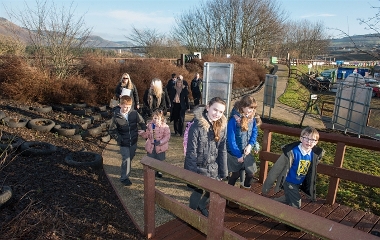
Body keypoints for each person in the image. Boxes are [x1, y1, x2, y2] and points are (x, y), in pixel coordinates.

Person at [184, 97, 228, 217]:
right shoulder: (196, 126)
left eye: (221, 112)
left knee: (212, 190)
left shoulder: (222, 127)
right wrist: (191, 174)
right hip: (198, 167)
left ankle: (201, 205)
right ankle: (191, 214)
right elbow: (191, 152)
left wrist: (223, 172)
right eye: (215, 109)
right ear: (208, 107)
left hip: (212, 166)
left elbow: (222, 150)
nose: (217, 114)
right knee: (198, 190)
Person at [262, 126, 324, 209]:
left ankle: (268, 203)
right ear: (301, 139)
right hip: (289, 181)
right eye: (306, 138)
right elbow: (276, 169)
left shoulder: (314, 155)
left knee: (288, 198)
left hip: (299, 182)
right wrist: (266, 187)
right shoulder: (291, 152)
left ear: (316, 142)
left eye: (312, 140)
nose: (309, 142)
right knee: (296, 203)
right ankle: (292, 219)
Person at [226, 95, 260, 208]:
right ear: (243, 106)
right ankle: (228, 198)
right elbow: (231, 139)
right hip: (235, 152)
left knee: (250, 173)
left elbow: (254, 132)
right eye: (249, 108)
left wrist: (250, 145)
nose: (251, 110)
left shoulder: (252, 118)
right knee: (235, 174)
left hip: (246, 151)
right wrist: (238, 155)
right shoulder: (233, 120)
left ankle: (243, 196)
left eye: (252, 108)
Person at [108, 95, 147, 186]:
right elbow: (112, 130)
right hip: (123, 142)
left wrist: (144, 129)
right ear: (120, 105)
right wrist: (119, 139)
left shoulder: (134, 113)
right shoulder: (116, 117)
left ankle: (126, 169)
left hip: (133, 140)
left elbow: (142, 122)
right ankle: (124, 178)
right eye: (125, 107)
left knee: (131, 157)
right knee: (126, 159)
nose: (126, 109)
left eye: (128, 107)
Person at [139, 110, 170, 178]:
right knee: (151, 157)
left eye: (158, 118)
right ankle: (151, 170)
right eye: (155, 118)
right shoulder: (149, 125)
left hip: (160, 146)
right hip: (151, 145)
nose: (156, 120)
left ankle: (159, 171)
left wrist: (161, 142)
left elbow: (167, 136)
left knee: (160, 158)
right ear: (152, 118)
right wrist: (142, 133)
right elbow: (147, 135)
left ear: (161, 118)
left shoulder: (165, 126)